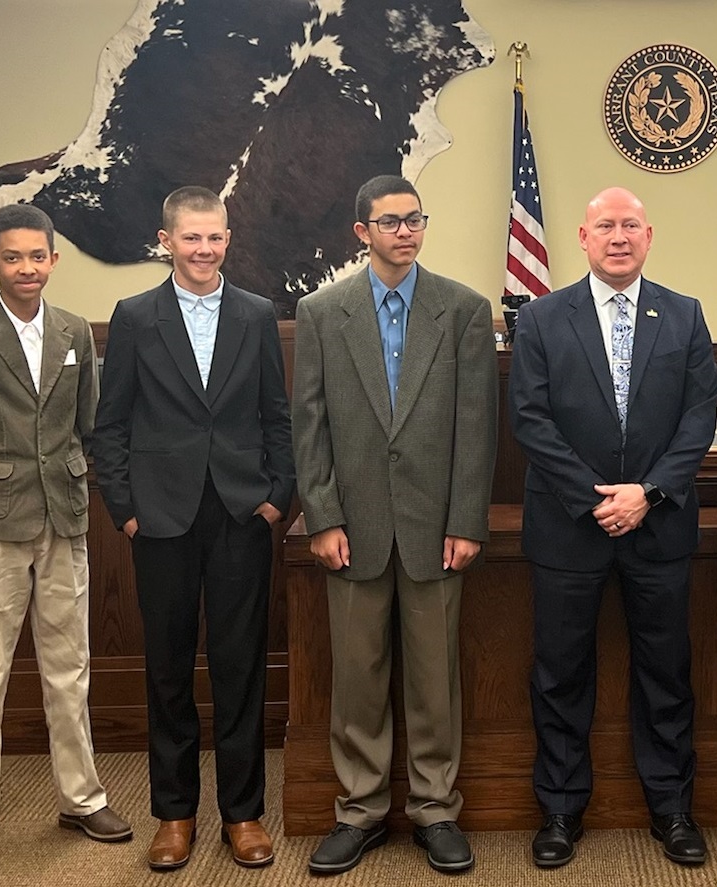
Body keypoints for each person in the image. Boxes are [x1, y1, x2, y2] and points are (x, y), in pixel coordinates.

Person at [0, 204, 131, 869]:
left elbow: (87, 425)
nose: (27, 268)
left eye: (38, 256)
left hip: (62, 515)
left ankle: (82, 796)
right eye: (13, 257)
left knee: (71, 666)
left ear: (53, 261)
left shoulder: (71, 332)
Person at [508, 187, 717, 869]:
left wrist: (648, 493)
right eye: (606, 225)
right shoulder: (539, 316)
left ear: (649, 235)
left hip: (658, 527)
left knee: (665, 672)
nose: (619, 236)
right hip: (569, 527)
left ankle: (672, 807)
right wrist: (596, 497)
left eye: (630, 225)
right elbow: (530, 418)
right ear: (582, 236)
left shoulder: (684, 315)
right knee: (560, 673)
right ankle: (561, 808)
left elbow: (699, 417)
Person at [294, 175, 497, 875]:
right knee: (356, 676)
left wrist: (466, 519)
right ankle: (360, 810)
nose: (404, 232)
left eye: (414, 220)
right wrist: (321, 515)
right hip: (350, 527)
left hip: (436, 527)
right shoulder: (322, 311)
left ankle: (436, 809)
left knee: (434, 678)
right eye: (389, 222)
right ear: (361, 232)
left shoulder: (464, 310)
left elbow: (476, 427)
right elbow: (309, 423)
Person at [91, 186, 295, 871]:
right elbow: (110, 421)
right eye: (191, 238)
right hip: (161, 515)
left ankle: (243, 813)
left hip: (241, 511)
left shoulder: (256, 314)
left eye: (214, 238)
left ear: (227, 241)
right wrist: (123, 504)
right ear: (165, 240)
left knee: (240, 668)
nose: (203, 249)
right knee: (168, 672)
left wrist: (276, 498)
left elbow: (277, 415)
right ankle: (173, 814)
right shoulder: (135, 316)